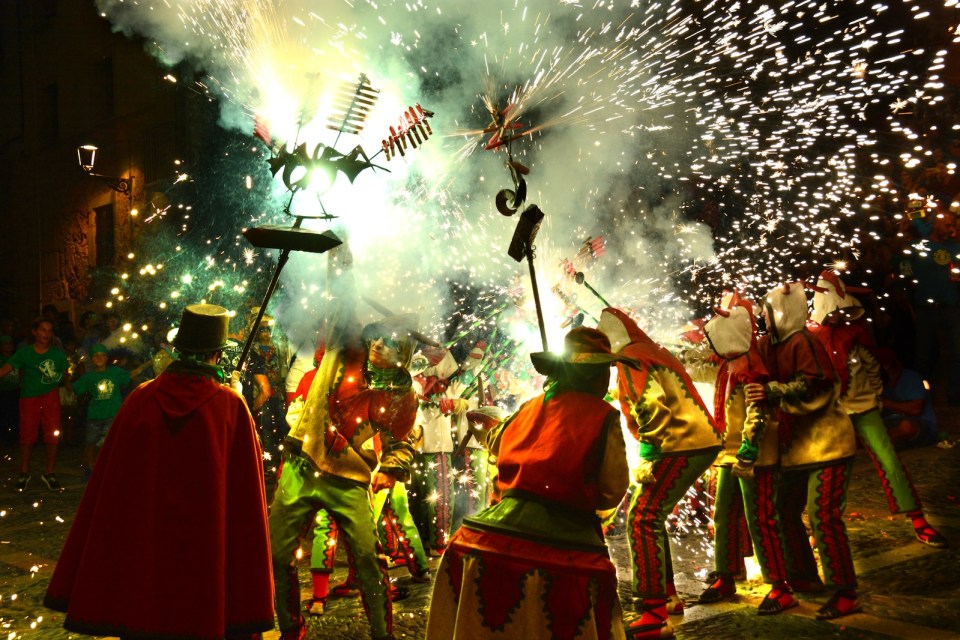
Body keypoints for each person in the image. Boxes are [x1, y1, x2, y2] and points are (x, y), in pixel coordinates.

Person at [43, 303, 273, 639]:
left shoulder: (141, 397)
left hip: (145, 546)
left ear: (179, 349)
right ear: (216, 355)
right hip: (204, 550)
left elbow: (112, 485)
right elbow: (244, 499)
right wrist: (232, 396)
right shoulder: (230, 406)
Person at [426, 326, 632, 640]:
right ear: (596, 374)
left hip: (487, 532)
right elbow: (612, 491)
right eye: (606, 369)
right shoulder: (605, 416)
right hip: (565, 536)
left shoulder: (529, 406)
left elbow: (500, 442)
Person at [269, 266, 419, 640]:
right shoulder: (345, 350)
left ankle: (382, 634)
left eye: (389, 343)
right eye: (376, 339)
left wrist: (392, 469)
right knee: (275, 555)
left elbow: (402, 442)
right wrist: (344, 254)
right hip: (302, 466)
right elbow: (340, 301)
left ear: (403, 354)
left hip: (350, 480)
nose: (377, 346)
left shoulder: (402, 394)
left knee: (368, 559)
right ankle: (291, 630)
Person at [597, 307, 722, 640]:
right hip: (694, 440)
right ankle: (666, 595)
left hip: (681, 444)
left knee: (642, 517)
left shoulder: (631, 357)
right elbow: (642, 393)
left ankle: (652, 610)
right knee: (650, 514)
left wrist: (648, 455)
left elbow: (650, 403)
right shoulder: (648, 350)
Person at [809, 271, 948, 548]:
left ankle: (918, 520)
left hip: (866, 407)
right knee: (833, 472)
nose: (841, 315)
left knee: (890, 461)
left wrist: (877, 394)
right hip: (834, 415)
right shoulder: (812, 334)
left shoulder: (858, 329)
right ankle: (821, 530)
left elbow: (872, 365)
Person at [750, 282, 860, 620]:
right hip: (796, 446)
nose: (762, 317)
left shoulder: (804, 340)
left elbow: (813, 382)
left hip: (828, 442)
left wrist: (771, 390)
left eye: (766, 311)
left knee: (822, 514)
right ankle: (802, 578)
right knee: (784, 509)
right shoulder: (769, 343)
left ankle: (845, 591)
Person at [687, 293, 796, 614]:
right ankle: (726, 573)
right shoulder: (724, 366)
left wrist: (749, 450)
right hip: (727, 455)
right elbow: (696, 370)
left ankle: (781, 586)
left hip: (754, 458)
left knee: (762, 518)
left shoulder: (751, 368)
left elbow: (757, 414)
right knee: (724, 516)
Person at [0, 317, 70, 491]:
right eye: (42, 329)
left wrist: (62, 379)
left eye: (49, 330)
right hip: (29, 398)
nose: (46, 334)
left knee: (52, 434)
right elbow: (6, 369)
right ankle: (24, 473)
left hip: (51, 397)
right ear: (34, 332)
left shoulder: (57, 354)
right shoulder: (25, 352)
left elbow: (65, 374)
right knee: (27, 435)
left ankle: (50, 472)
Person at [70, 343, 131, 480]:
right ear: (92, 359)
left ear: (107, 357)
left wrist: (148, 365)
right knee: (91, 442)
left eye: (102, 355)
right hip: (95, 415)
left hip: (113, 414)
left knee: (107, 442)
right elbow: (76, 388)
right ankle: (90, 468)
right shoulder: (89, 377)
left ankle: (106, 466)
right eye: (96, 355)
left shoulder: (115, 372)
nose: (99, 358)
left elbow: (130, 376)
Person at [875, 347, 941, 449]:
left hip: (921, 426)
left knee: (906, 426)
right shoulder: (880, 384)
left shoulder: (911, 378)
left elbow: (916, 409)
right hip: (891, 422)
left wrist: (886, 403)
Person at [0, 335, 20, 443]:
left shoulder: (16, 357)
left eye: (10, 344)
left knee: (14, 414)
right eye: (5, 344)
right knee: (4, 414)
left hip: (15, 390)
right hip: (3, 391)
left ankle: (14, 436)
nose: (8, 346)